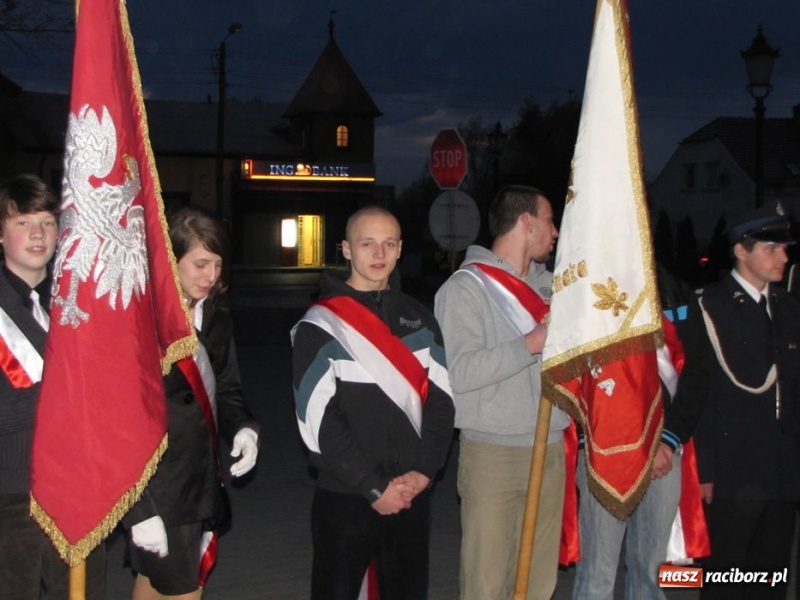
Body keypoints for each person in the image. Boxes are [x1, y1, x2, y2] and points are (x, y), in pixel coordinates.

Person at [291, 205, 455, 599]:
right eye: (367, 243)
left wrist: (424, 472)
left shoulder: (421, 319)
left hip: (411, 491)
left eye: (388, 244)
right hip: (346, 495)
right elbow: (319, 420)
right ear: (346, 249)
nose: (379, 254)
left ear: (400, 250)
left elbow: (442, 402)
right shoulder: (319, 325)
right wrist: (373, 487)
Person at [660, 201, 800, 600]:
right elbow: (698, 391)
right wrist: (705, 468)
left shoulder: (789, 309)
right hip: (731, 473)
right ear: (741, 250)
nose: (784, 257)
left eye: (785, 248)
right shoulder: (709, 306)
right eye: (772, 249)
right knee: (725, 580)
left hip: (782, 471)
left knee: (772, 579)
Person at [434, 185, 568, 600]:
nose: (556, 231)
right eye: (549, 220)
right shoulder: (464, 289)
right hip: (493, 454)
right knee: (487, 581)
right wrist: (531, 342)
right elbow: (459, 373)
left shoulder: (559, 289)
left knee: (538, 580)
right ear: (526, 222)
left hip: (550, 449)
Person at [123, 207, 260, 600]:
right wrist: (139, 510)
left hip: (201, 482)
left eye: (217, 264)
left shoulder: (217, 318)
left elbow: (230, 390)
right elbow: (119, 423)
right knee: (184, 589)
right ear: (171, 260)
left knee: (153, 586)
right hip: (157, 487)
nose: (211, 276)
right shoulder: (141, 322)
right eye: (200, 263)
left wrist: (245, 429)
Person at [0, 174, 106, 598]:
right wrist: (65, 394)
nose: (37, 234)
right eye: (23, 222)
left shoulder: (74, 302)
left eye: (47, 222)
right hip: (12, 495)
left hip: (78, 488)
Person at [572, 264, 696, 600]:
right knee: (598, 574)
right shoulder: (586, 289)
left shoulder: (674, 291)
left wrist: (666, 440)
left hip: (664, 452)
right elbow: (578, 377)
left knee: (651, 574)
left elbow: (697, 373)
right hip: (603, 450)